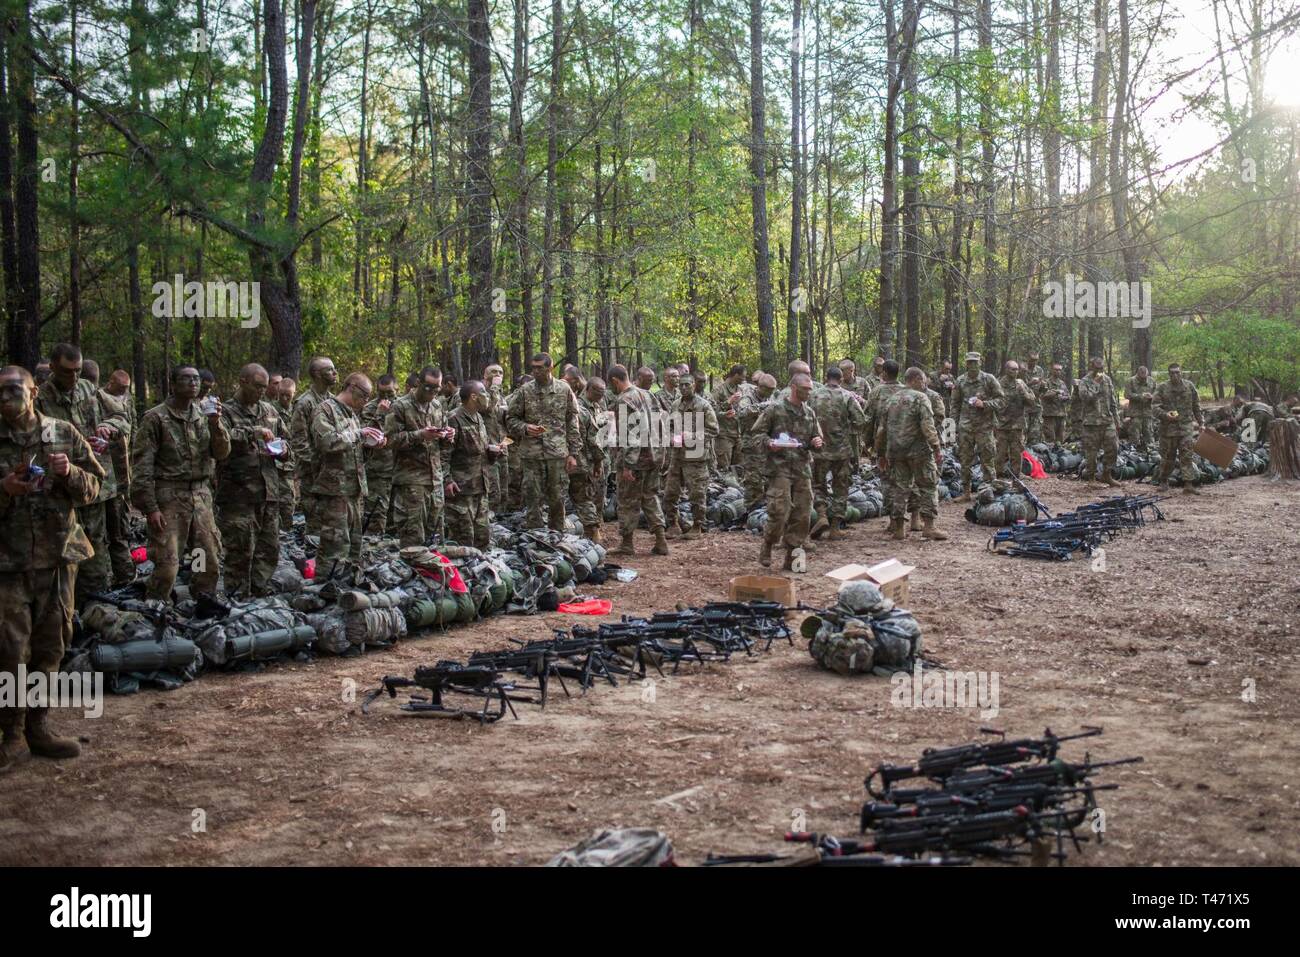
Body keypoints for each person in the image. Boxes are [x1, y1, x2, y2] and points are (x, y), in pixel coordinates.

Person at [0, 365, 103, 771]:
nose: (5, 398)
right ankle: (10, 733)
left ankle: (37, 726)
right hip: (7, 562)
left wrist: (70, 474)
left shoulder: (62, 433)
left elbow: (97, 486)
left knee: (51, 647)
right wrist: (4, 489)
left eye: (12, 390)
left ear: (33, 391)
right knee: (9, 652)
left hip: (58, 559)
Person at [36, 344, 130, 603]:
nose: (74, 377)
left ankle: (96, 608)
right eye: (68, 371)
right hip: (60, 491)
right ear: (53, 368)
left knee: (96, 551)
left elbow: (121, 415)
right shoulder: (39, 400)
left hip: (92, 487)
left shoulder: (90, 390)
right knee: (63, 557)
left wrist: (107, 428)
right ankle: (66, 612)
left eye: (78, 371)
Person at [132, 365, 231, 601]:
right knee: (167, 564)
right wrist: (151, 508)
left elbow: (222, 452)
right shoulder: (156, 417)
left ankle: (201, 601)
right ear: (173, 384)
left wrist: (216, 424)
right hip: (169, 496)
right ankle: (156, 606)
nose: (193, 384)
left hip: (200, 496)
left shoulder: (204, 415)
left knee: (205, 557)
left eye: (196, 379)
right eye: (186, 379)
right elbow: (142, 467)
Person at [216, 363, 292, 597]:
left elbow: (287, 442)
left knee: (268, 550)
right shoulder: (226, 412)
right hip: (238, 496)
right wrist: (252, 432)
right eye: (257, 386)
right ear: (243, 382)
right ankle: (236, 598)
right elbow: (219, 440)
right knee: (239, 552)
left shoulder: (269, 411)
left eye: (264, 387)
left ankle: (260, 596)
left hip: (268, 493)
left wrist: (282, 450)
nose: (262, 391)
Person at [751, 372, 824, 569]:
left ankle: (792, 558)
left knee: (802, 514)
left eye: (810, 390)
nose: (809, 393)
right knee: (779, 511)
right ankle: (768, 543)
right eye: (805, 389)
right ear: (794, 388)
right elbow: (756, 435)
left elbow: (816, 438)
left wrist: (817, 442)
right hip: (779, 468)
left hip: (802, 468)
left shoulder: (809, 413)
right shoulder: (775, 409)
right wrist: (770, 443)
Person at [313, 373, 381, 571]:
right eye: (364, 395)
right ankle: (326, 585)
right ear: (351, 387)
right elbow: (327, 442)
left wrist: (371, 445)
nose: (366, 401)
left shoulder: (351, 415)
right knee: (335, 544)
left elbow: (356, 451)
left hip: (354, 489)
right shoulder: (325, 410)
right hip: (334, 490)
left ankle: (347, 586)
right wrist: (359, 434)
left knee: (354, 544)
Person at [505, 353, 580, 533]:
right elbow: (510, 418)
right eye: (533, 368)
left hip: (557, 455)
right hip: (532, 455)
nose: (536, 371)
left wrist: (573, 454)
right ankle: (536, 539)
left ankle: (557, 537)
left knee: (557, 499)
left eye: (540, 368)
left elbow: (572, 421)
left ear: (550, 368)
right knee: (532, 499)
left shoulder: (564, 390)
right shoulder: (525, 391)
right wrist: (525, 427)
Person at [386, 366, 453, 546]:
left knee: (435, 534)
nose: (431, 392)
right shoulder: (400, 406)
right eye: (428, 387)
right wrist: (420, 435)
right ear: (418, 383)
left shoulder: (438, 405)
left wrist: (448, 435)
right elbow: (390, 440)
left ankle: (433, 570)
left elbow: (443, 442)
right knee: (412, 534)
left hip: (435, 479)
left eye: (436, 388)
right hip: (411, 479)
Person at [877, 367, 946, 541]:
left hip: (896, 452)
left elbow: (882, 430)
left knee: (900, 488)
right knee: (928, 485)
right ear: (915, 379)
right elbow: (928, 426)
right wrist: (937, 447)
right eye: (922, 380)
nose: (924, 384)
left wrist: (881, 454)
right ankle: (929, 527)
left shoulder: (891, 399)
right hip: (919, 451)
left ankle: (899, 529)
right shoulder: (920, 398)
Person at [607, 364, 668, 556]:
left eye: (612, 385)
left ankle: (627, 543)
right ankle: (661, 540)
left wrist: (627, 465)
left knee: (627, 500)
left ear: (615, 381)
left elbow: (629, 436)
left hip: (636, 461)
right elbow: (661, 424)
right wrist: (661, 454)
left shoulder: (624, 400)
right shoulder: (648, 395)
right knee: (650, 497)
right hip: (653, 456)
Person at [809, 366, 865, 541]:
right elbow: (861, 420)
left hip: (819, 449)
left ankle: (822, 515)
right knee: (841, 487)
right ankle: (835, 528)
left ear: (826, 378)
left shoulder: (814, 395)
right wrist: (846, 428)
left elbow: (805, 417)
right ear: (841, 380)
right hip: (841, 450)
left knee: (818, 485)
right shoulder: (847, 396)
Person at [444, 381, 501, 548]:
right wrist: (447, 480)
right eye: (484, 393)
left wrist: (492, 452)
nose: (488, 396)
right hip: (462, 490)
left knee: (482, 539)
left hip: (480, 488)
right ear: (473, 396)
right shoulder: (453, 419)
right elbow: (444, 454)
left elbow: (480, 451)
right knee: (463, 541)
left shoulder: (479, 418)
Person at [663, 375, 719, 540]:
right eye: (681, 385)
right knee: (670, 492)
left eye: (687, 385)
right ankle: (673, 524)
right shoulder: (675, 404)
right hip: (678, 455)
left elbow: (714, 430)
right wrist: (673, 436)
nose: (684, 388)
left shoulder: (703, 405)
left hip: (696, 456)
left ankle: (697, 525)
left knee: (697, 493)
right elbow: (670, 426)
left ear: (694, 385)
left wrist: (693, 436)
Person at [98, 369, 137, 585]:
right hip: (100, 474)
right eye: (120, 388)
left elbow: (128, 426)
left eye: (126, 389)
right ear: (109, 381)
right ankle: (101, 581)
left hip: (118, 477)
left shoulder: (124, 401)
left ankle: (125, 577)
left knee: (119, 530)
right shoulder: (98, 399)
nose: (124, 392)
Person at [290, 356, 338, 535]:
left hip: (332, 472)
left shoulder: (334, 401)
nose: (335, 373)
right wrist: (316, 465)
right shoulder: (304, 403)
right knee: (316, 522)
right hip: (313, 473)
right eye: (330, 370)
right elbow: (299, 441)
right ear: (317, 374)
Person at [951, 352, 1006, 500]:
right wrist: (953, 426)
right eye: (970, 362)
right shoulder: (960, 381)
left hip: (984, 426)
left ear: (980, 363)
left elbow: (1001, 400)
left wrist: (985, 404)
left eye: (975, 362)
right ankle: (966, 492)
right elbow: (955, 405)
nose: (973, 365)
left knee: (987, 459)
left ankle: (989, 491)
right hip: (965, 427)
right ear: (966, 364)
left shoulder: (989, 379)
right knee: (965, 460)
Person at [567, 372, 607, 543]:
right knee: (583, 499)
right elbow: (593, 441)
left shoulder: (580, 412)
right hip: (578, 463)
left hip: (566, 463)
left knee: (581, 499)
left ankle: (593, 532)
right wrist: (598, 462)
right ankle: (592, 532)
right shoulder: (582, 411)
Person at [1153, 364, 1204, 493]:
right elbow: (1154, 407)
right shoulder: (1162, 388)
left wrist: (1201, 422)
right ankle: (1164, 481)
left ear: (1181, 373)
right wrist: (1165, 415)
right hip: (1168, 429)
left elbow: (1196, 405)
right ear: (1169, 374)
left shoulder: (1189, 386)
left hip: (1186, 427)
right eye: (1172, 373)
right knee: (1168, 456)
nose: (1175, 375)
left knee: (1187, 455)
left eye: (1177, 372)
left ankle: (1188, 484)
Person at [863, 360, 904, 517]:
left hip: (884, 441)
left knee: (886, 478)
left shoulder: (877, 392)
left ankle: (891, 513)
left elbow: (868, 418)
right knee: (903, 477)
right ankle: (905, 514)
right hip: (905, 441)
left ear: (884, 373)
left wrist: (867, 443)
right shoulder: (906, 391)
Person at [1074, 356, 1122, 486]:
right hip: (1091, 422)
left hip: (1107, 420)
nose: (1100, 370)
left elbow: (1112, 401)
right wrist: (1095, 383)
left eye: (1101, 368)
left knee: (1113, 447)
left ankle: (1107, 474)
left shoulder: (1107, 380)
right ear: (1091, 367)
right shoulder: (1084, 381)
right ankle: (1091, 478)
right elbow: (1085, 398)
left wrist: (1117, 420)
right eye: (1097, 368)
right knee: (1091, 451)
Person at [360, 375, 399, 534]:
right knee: (376, 512)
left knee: (397, 512)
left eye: (390, 393)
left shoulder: (403, 406)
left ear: (397, 389)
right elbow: (365, 436)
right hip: (378, 468)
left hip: (400, 467)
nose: (386, 397)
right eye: (382, 393)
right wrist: (380, 414)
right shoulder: (370, 408)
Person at [737, 372, 778, 511]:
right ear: (760, 387)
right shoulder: (748, 396)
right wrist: (762, 406)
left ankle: (764, 509)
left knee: (767, 477)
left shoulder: (771, 396)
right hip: (751, 444)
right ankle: (751, 510)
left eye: (772, 392)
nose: (771, 394)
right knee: (753, 479)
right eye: (768, 391)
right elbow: (742, 412)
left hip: (766, 442)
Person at [993, 360, 1037, 480]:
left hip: (1017, 424)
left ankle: (1017, 474)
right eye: (1013, 369)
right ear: (1006, 369)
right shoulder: (998, 384)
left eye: (1017, 369)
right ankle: (998, 474)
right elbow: (992, 403)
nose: (1015, 372)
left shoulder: (1021, 384)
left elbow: (1032, 401)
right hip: (1002, 424)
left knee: (1017, 450)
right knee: (1000, 452)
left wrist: (1025, 394)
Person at [481, 363, 510, 512]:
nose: (498, 374)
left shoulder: (502, 396)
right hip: (487, 451)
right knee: (492, 491)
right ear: (485, 375)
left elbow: (505, 422)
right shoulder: (480, 393)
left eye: (500, 372)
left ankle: (501, 526)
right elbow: (488, 409)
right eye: (494, 372)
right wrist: (494, 388)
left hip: (502, 449)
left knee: (504, 492)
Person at [709, 365, 746, 474]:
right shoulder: (719, 390)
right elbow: (711, 411)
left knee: (739, 469)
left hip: (738, 434)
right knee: (723, 470)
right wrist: (728, 402)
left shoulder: (739, 389)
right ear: (735, 375)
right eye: (742, 377)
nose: (744, 379)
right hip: (724, 435)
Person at [273, 377, 298, 529]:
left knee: (289, 503)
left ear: (294, 393)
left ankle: (286, 531)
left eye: (288, 395)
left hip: (292, 464)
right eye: (282, 394)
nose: (284, 398)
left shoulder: (298, 410)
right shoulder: (270, 410)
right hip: (275, 464)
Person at [1125, 366, 1157, 451]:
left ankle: (1151, 452)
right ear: (1137, 375)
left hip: (1148, 412)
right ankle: (1133, 452)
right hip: (1135, 412)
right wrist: (1140, 396)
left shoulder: (1152, 381)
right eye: (1141, 378)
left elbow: (1157, 394)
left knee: (1149, 432)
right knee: (1134, 434)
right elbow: (1127, 394)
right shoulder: (1131, 381)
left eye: (1145, 377)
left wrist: (1152, 397)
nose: (1143, 379)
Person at [1021, 352, 1048, 445]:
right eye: (1032, 360)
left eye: (1036, 360)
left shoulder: (1040, 370)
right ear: (1027, 359)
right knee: (1023, 431)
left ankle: (1033, 454)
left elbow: (1042, 389)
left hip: (1036, 404)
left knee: (1035, 432)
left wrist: (1044, 386)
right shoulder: (1021, 370)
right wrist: (1030, 383)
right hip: (1023, 405)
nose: (1034, 362)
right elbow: (1016, 387)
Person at [1040, 364, 1071, 444]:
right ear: (1052, 370)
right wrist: (1056, 392)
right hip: (1049, 415)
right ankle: (1048, 455)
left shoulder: (1062, 383)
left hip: (1061, 414)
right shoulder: (1046, 382)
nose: (1058, 371)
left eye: (1060, 370)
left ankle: (1058, 454)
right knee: (1050, 438)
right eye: (1056, 370)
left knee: (1060, 438)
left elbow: (1067, 396)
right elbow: (1043, 395)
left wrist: (1064, 397)